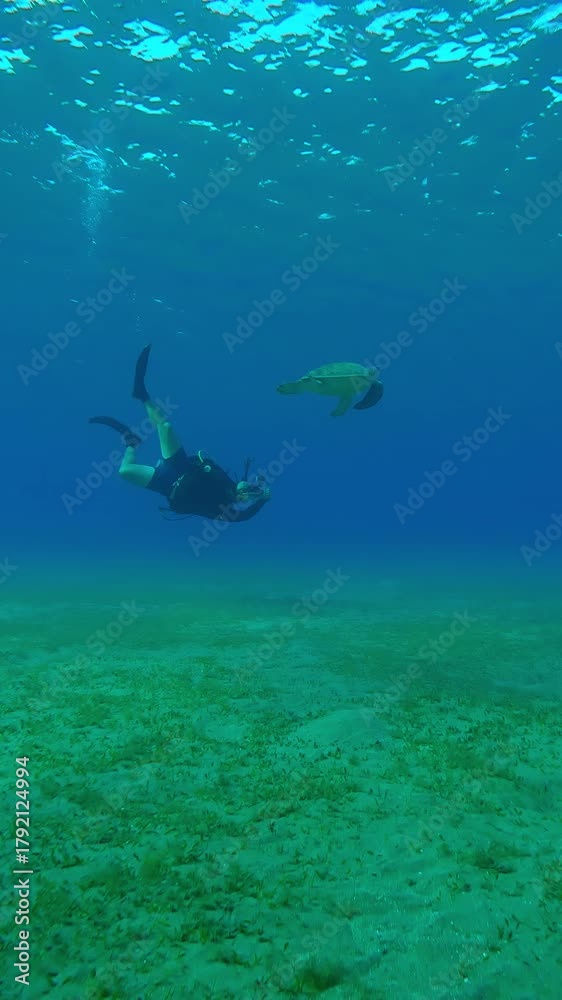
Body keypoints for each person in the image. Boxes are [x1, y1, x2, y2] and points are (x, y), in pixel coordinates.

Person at [89, 345, 271, 523]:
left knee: (124, 471)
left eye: (247, 493)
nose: (245, 488)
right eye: (247, 486)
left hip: (165, 485)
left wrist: (262, 501)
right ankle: (142, 394)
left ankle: (131, 442)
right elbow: (227, 479)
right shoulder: (227, 482)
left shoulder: (222, 510)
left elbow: (243, 517)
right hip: (180, 466)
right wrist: (256, 492)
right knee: (165, 426)